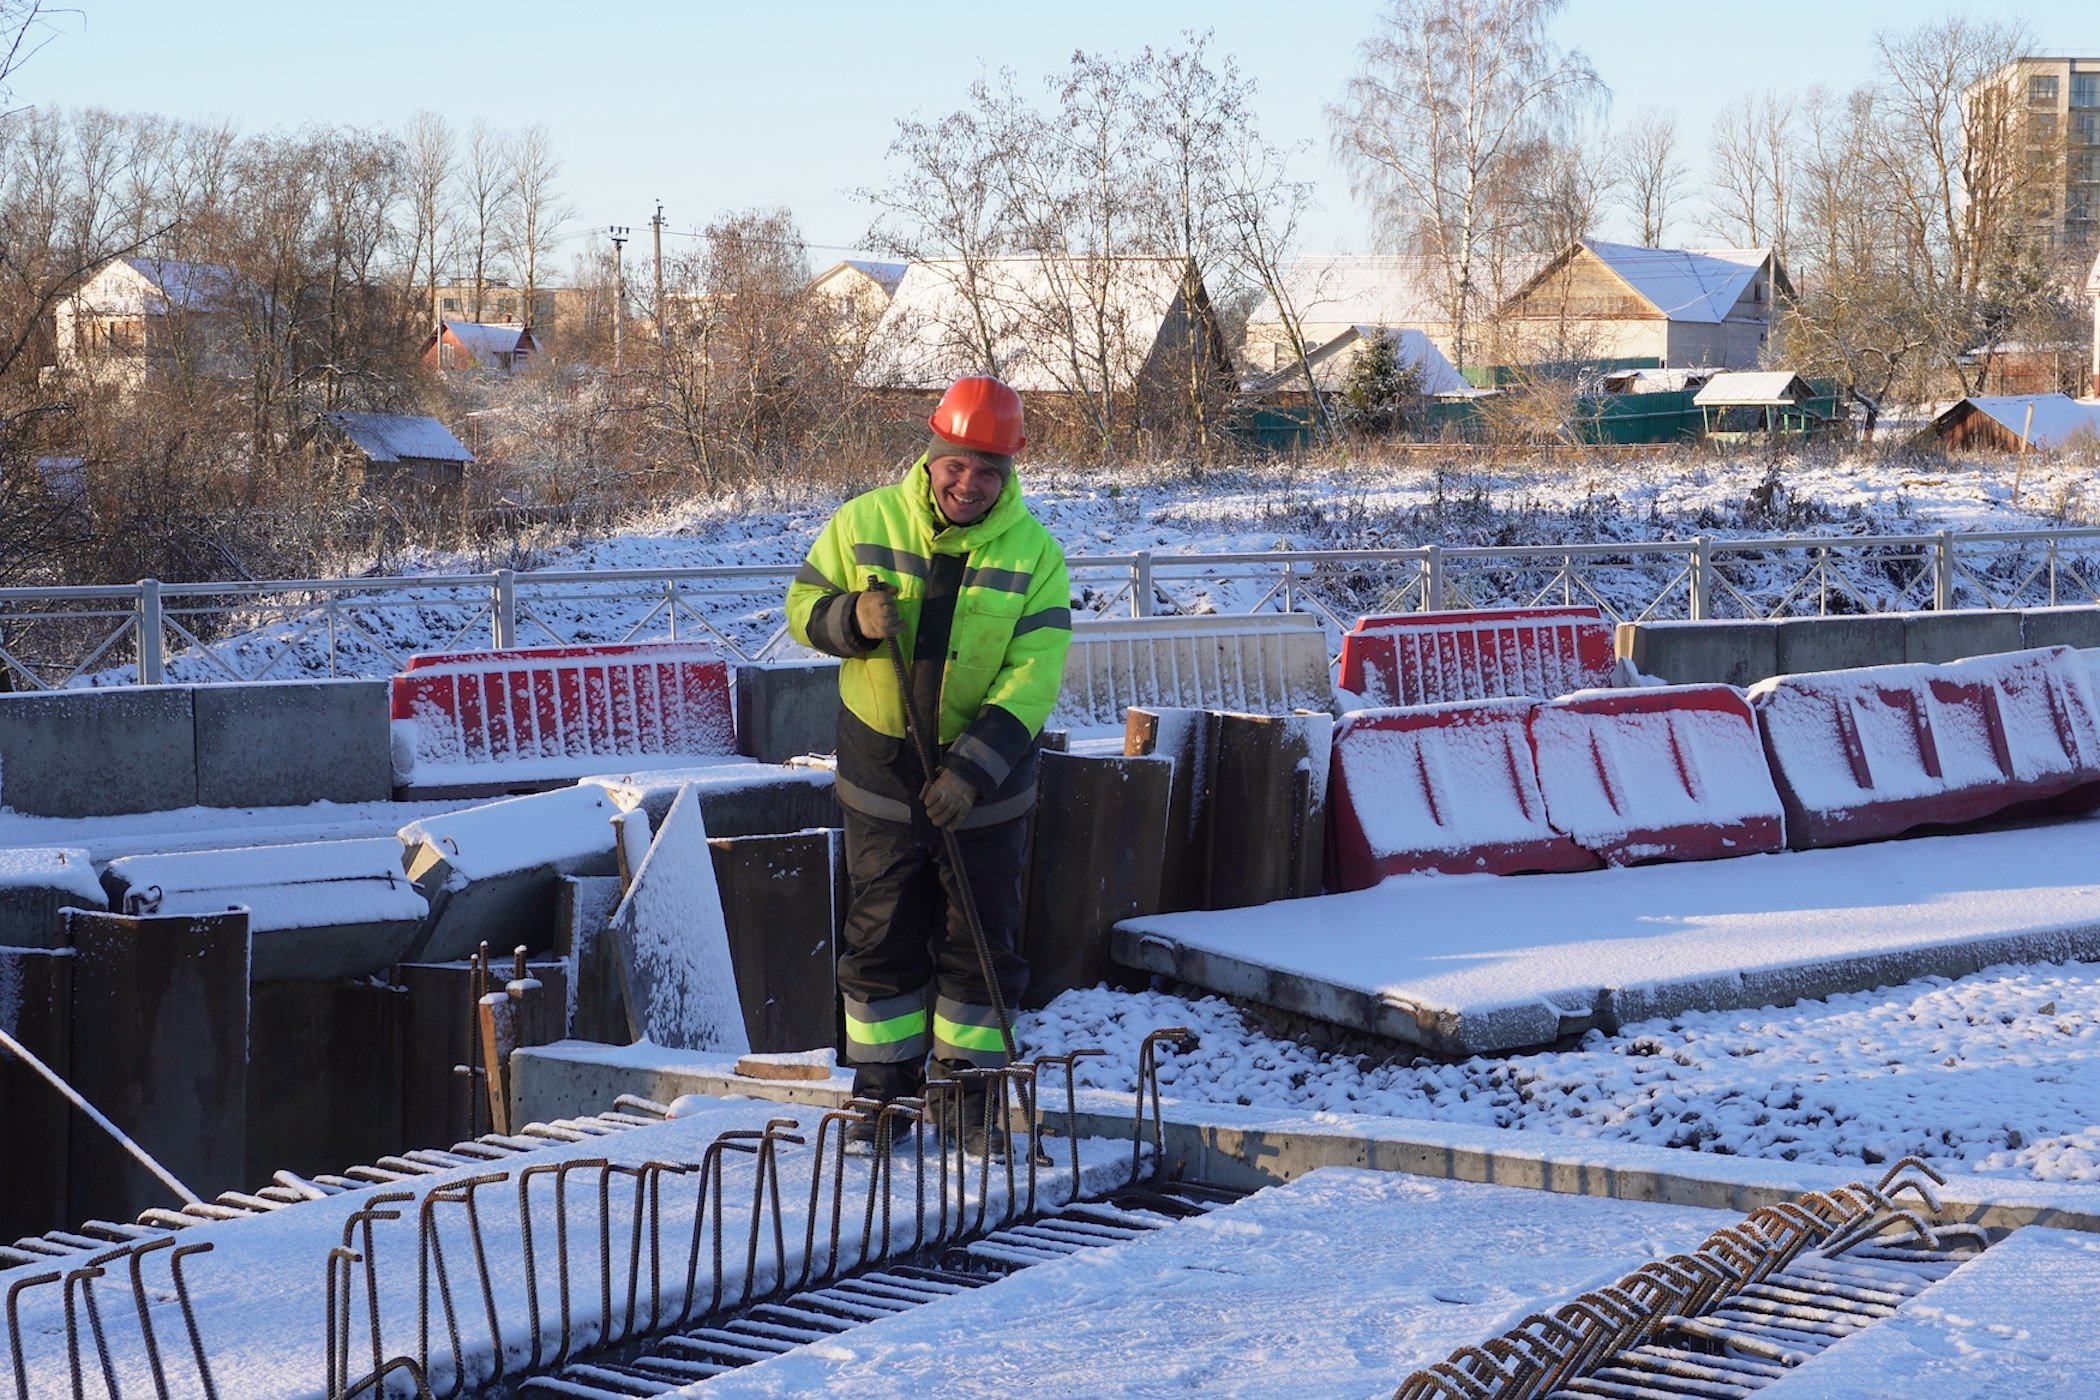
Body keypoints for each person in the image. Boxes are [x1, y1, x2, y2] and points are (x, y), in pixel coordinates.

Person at [785, 375, 1071, 1149]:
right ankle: (882, 1100)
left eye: (988, 472)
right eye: (957, 465)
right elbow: (800, 608)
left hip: (986, 790)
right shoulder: (864, 522)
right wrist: (850, 618)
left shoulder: (1035, 554)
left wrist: (972, 770)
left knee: (976, 942)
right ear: (932, 453)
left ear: (1010, 472)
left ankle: (968, 1105)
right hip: (882, 774)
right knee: (879, 939)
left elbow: (1033, 672)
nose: (968, 484)